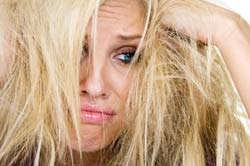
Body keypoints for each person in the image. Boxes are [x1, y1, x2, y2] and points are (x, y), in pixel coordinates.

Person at [0, 0, 249, 165]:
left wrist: (230, 31)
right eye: (71, 50)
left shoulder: (194, 156)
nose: (94, 86)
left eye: (127, 55)